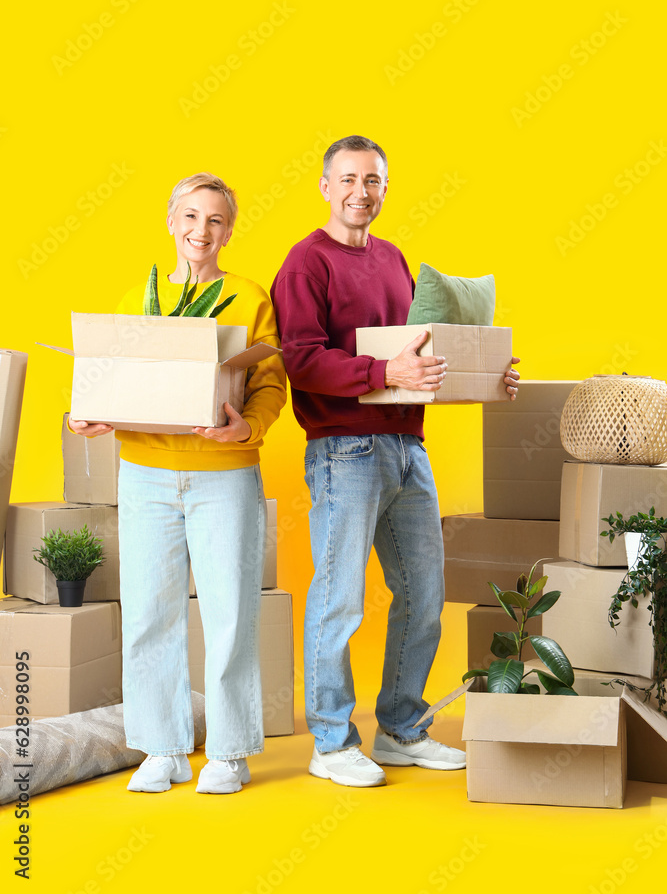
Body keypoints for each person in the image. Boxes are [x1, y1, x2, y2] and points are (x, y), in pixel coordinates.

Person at [271, 136, 520, 787]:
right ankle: (330, 742)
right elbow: (297, 357)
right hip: (344, 451)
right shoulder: (304, 264)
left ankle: (401, 731)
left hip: (409, 448)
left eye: (373, 180)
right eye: (349, 179)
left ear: (384, 188)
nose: (361, 192)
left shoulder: (392, 258)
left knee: (424, 596)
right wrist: (383, 370)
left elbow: (419, 350)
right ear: (325, 186)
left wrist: (485, 370)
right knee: (339, 599)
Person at [70, 172, 286, 794]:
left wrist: (248, 428)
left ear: (229, 230)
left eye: (215, 220)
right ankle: (161, 747)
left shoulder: (249, 296)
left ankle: (229, 751)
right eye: (190, 217)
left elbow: (271, 379)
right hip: (145, 474)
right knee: (148, 613)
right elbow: (107, 371)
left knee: (229, 613)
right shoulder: (138, 298)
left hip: (224, 475)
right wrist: (87, 411)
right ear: (170, 221)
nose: (201, 231)